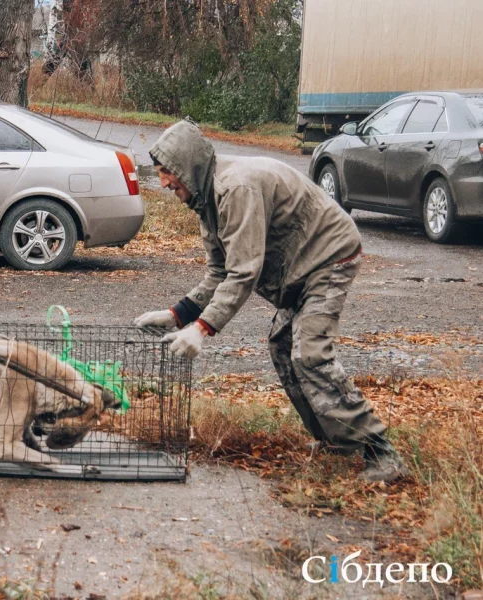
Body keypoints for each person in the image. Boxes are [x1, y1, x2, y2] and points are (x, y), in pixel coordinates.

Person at [134, 119, 407, 483]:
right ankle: (333, 441)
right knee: (283, 346)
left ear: (188, 166)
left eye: (168, 172)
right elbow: (220, 272)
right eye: (159, 173)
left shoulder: (235, 190)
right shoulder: (206, 200)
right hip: (299, 268)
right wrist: (176, 314)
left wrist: (202, 328)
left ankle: (381, 451)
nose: (164, 182)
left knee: (310, 354)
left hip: (328, 256)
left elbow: (244, 272)